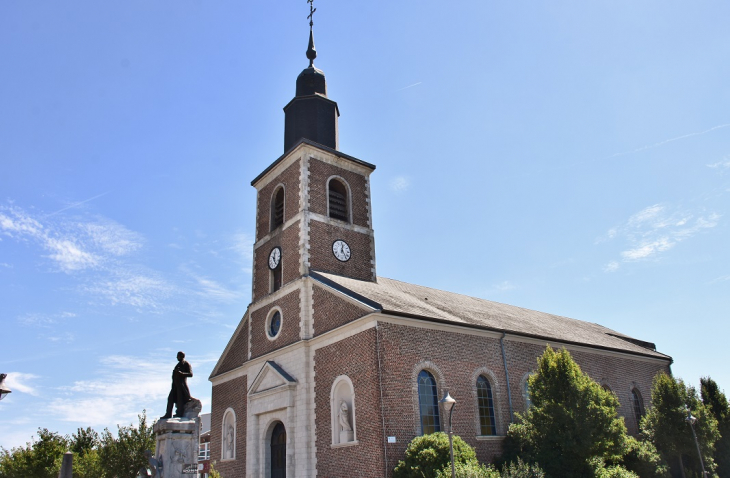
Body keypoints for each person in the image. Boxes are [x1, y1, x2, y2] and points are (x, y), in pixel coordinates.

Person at [161, 351, 193, 419]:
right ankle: (168, 414)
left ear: (181, 356)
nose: (177, 358)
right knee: (170, 399)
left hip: (181, 386)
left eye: (178, 356)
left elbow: (190, 374)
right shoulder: (178, 364)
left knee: (180, 400)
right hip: (175, 385)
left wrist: (181, 373)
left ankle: (179, 413)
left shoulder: (186, 364)